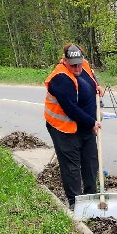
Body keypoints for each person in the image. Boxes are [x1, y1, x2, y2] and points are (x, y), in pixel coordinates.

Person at [43, 43, 101, 205]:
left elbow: (90, 79)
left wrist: (97, 86)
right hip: (63, 128)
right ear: (65, 61)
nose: (77, 68)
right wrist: (92, 122)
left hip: (85, 125)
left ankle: (92, 200)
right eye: (73, 65)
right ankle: (76, 203)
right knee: (72, 167)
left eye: (79, 63)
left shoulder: (84, 65)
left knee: (90, 162)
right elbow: (71, 109)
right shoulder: (60, 78)